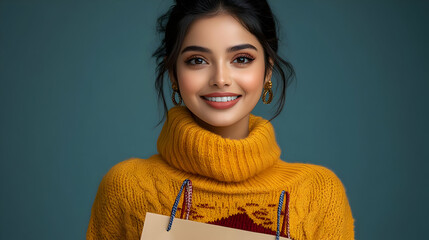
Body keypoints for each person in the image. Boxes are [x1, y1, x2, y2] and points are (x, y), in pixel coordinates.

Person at [87, 0, 354, 239]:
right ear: (173, 74)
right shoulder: (125, 186)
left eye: (241, 58)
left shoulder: (319, 193)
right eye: (197, 60)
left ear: (268, 70)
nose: (220, 78)